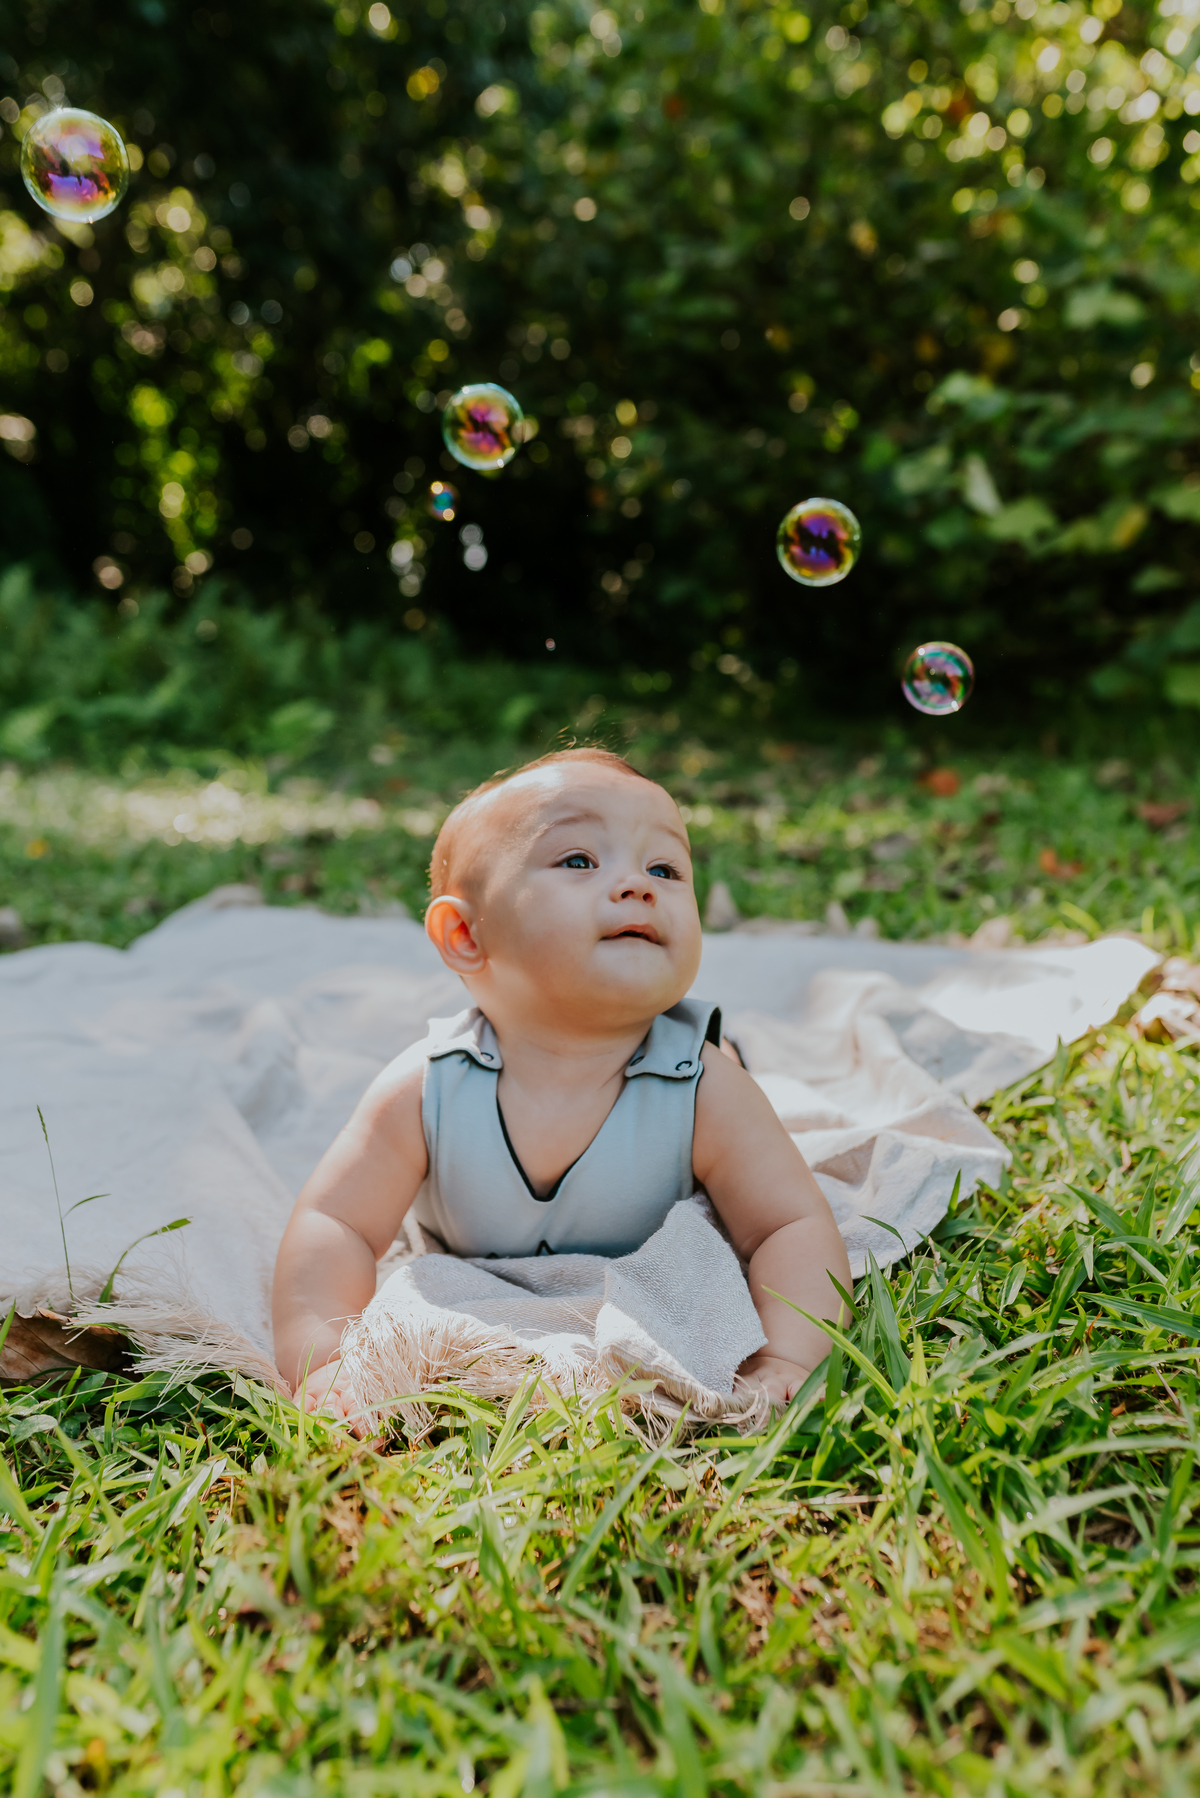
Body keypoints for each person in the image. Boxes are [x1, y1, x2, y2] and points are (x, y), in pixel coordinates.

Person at [272, 746, 851, 1422]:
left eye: (664, 868)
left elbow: (787, 1225)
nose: (638, 886)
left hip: (701, 1085)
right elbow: (336, 1224)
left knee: (742, 1091)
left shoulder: (702, 1087)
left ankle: (733, 1043)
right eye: (578, 860)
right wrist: (324, 1359)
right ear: (464, 934)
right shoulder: (426, 1088)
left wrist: (790, 1356)